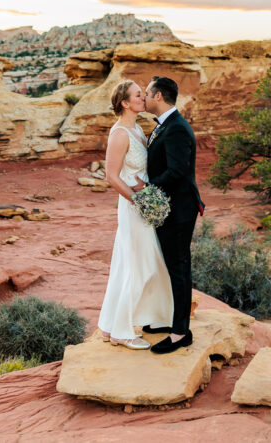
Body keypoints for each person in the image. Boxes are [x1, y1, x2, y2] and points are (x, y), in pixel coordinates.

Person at [97, 80, 174, 350]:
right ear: (125, 103)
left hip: (140, 207)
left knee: (135, 264)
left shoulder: (138, 129)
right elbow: (111, 176)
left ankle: (112, 325)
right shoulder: (119, 134)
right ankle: (123, 331)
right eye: (138, 95)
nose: (145, 98)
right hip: (133, 209)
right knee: (138, 265)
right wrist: (139, 200)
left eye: (144, 93)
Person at [136, 76, 204, 354]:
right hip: (171, 208)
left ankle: (180, 333)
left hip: (178, 210)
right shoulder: (167, 125)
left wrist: (146, 189)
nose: (145, 98)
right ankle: (170, 321)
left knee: (179, 268)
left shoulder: (175, 128)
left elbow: (177, 172)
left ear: (159, 96)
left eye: (148, 93)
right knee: (172, 266)